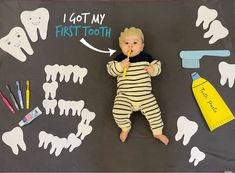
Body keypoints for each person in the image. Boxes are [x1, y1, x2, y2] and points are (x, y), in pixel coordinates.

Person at [107, 27, 169, 145]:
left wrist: (153, 70)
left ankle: (157, 132)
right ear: (121, 46)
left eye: (135, 43)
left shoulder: (146, 58)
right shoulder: (120, 59)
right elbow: (110, 69)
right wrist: (120, 66)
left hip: (145, 96)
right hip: (125, 96)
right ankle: (125, 127)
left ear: (141, 46)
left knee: (154, 112)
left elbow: (158, 66)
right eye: (126, 43)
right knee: (118, 111)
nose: (130, 46)